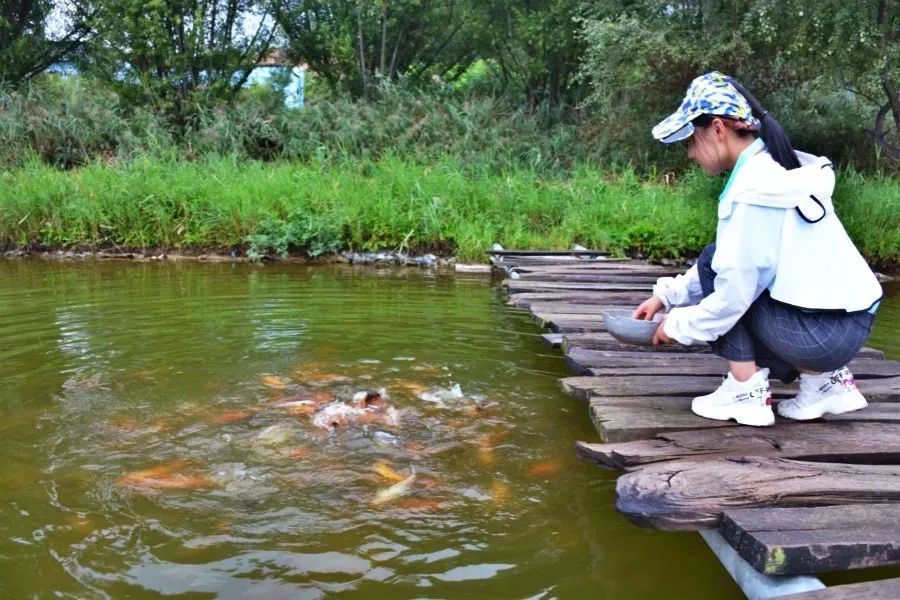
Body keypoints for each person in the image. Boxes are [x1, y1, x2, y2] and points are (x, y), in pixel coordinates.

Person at [633, 72, 882, 427]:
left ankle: (746, 390)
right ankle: (825, 383)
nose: (689, 153)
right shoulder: (781, 170)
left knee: (716, 271)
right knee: (719, 261)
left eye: (691, 139)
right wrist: (669, 296)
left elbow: (733, 294)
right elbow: (734, 257)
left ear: (718, 129)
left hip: (816, 338)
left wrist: (679, 324)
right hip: (851, 330)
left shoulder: (752, 192)